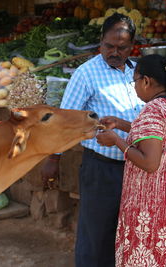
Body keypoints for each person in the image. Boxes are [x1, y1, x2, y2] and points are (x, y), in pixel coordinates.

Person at [41, 13, 144, 267]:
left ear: (132, 46)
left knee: (129, 234)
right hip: (102, 169)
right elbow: (65, 123)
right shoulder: (86, 74)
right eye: (109, 46)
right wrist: (53, 159)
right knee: (96, 236)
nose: (115, 52)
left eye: (122, 47)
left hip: (137, 168)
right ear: (101, 42)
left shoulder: (137, 73)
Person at [96, 54, 166, 266]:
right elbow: (158, 135)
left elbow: (149, 162)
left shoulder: (153, 109)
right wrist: (120, 124)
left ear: (146, 81)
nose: (135, 87)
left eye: (134, 81)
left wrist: (116, 140)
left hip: (155, 203)